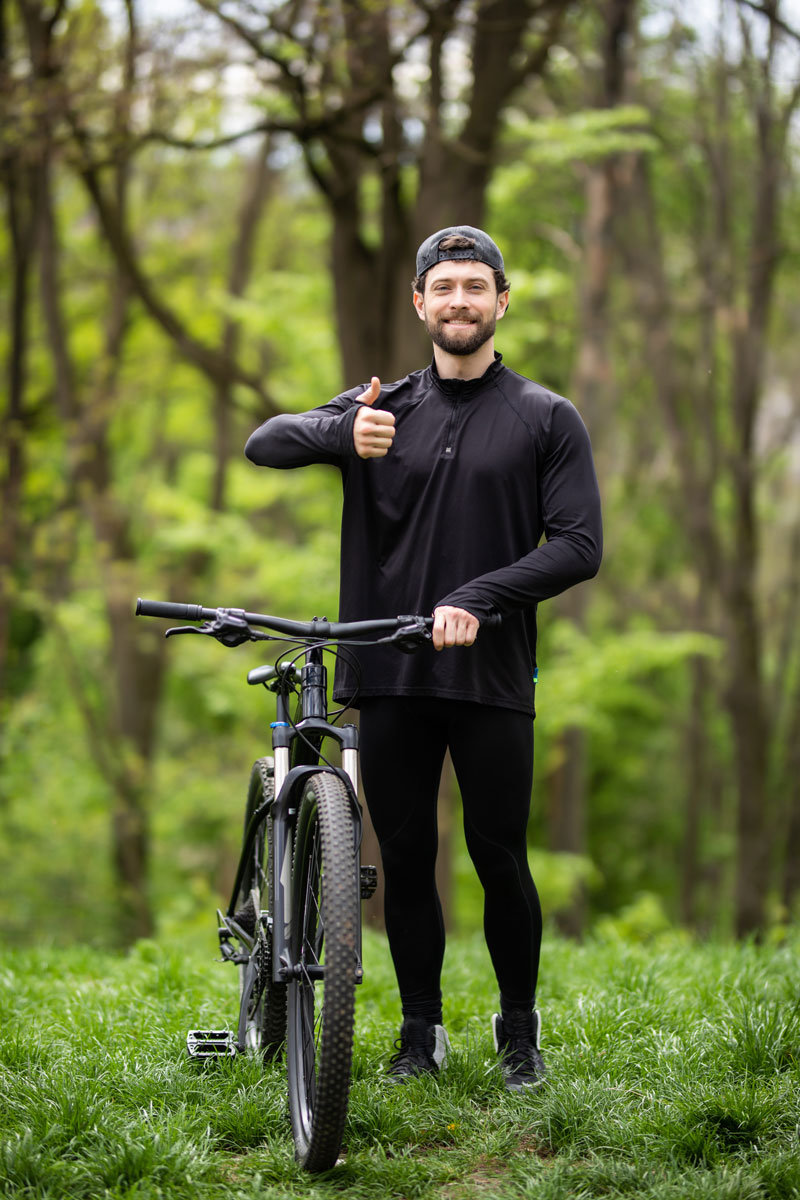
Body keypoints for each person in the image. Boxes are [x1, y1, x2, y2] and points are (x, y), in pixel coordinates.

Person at [245, 225, 602, 1090]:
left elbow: (580, 545)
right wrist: (340, 435)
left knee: (498, 855)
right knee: (403, 860)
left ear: (501, 302)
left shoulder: (546, 417)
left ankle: (519, 1035)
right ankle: (420, 1033)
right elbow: (264, 442)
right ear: (420, 304)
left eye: (476, 287)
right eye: (443, 288)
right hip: (391, 672)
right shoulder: (379, 405)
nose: (459, 302)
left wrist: (478, 599)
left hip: (490, 673)